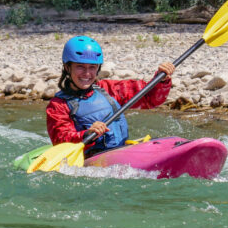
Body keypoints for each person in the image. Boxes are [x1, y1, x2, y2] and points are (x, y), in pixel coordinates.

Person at [46, 35, 175, 158]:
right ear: (67, 67)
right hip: (90, 161)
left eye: (92, 67)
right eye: (80, 67)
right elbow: (61, 140)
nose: (87, 73)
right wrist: (87, 134)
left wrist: (161, 79)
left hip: (120, 151)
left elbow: (149, 98)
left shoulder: (107, 89)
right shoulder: (58, 105)